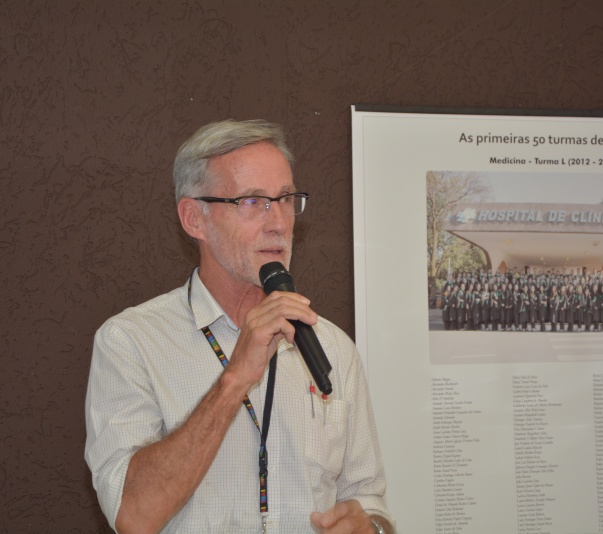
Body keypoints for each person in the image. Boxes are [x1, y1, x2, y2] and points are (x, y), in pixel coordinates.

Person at [84, 119, 394, 534]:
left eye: (285, 199)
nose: (279, 223)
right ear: (195, 218)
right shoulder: (130, 342)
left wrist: (370, 529)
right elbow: (134, 516)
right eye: (252, 202)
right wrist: (234, 379)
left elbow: (371, 503)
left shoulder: (332, 346)